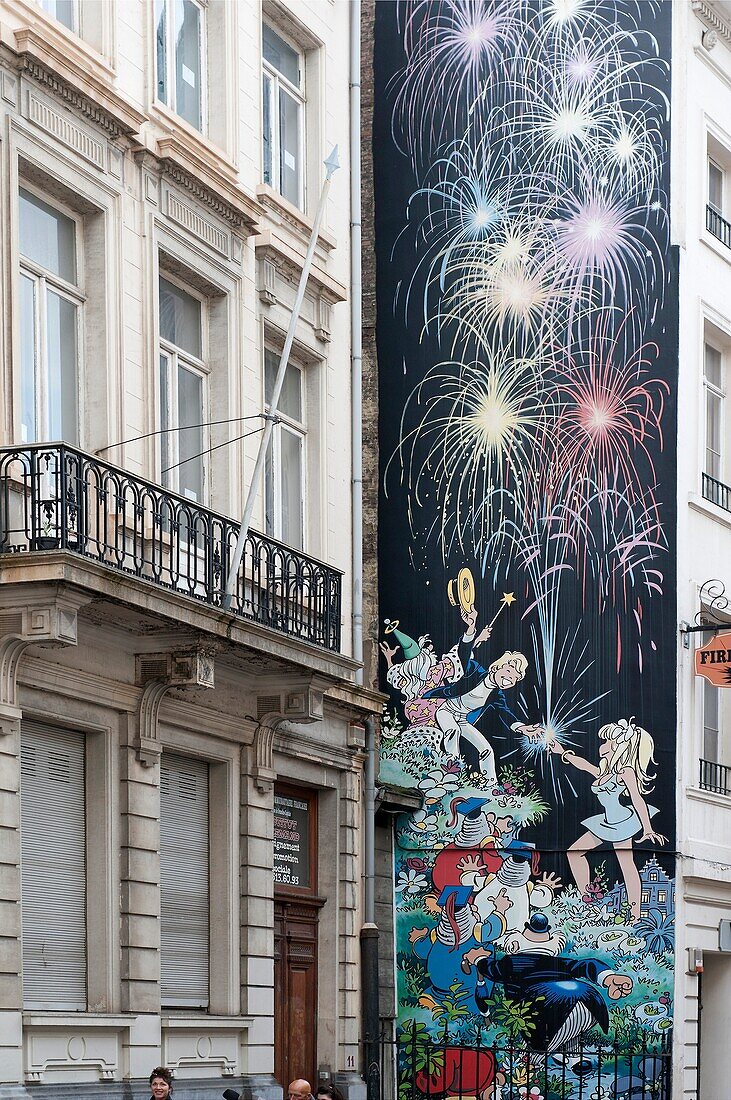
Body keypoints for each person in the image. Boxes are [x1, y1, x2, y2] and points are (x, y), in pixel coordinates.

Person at [549, 717, 667, 921]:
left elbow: (637, 799)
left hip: (622, 822)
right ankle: (586, 901)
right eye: (603, 742)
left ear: (619, 748)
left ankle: (635, 914)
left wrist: (647, 828)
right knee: (574, 853)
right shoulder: (605, 772)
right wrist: (563, 753)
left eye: (607, 743)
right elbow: (585, 766)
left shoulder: (625, 771)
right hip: (606, 822)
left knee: (627, 865)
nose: (602, 747)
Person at [425, 605, 543, 779]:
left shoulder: (497, 695)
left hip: (463, 719)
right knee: (452, 732)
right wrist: (471, 628)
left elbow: (506, 714)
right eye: (510, 672)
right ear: (497, 667)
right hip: (445, 710)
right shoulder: (474, 670)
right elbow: (463, 653)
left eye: (516, 678)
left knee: (486, 749)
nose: (511, 679)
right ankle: (452, 772)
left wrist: (523, 728)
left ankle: (490, 786)